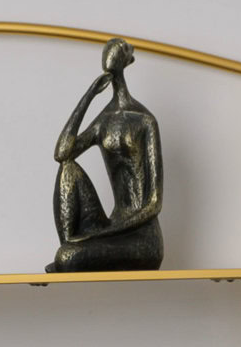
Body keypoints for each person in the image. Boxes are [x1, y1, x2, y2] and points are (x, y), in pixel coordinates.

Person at [46, 37, 164, 273]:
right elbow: (62, 153)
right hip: (111, 226)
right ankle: (69, 249)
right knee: (67, 168)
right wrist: (89, 96)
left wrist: (100, 234)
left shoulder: (145, 121)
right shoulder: (104, 121)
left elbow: (153, 204)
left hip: (142, 238)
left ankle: (70, 256)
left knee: (68, 258)